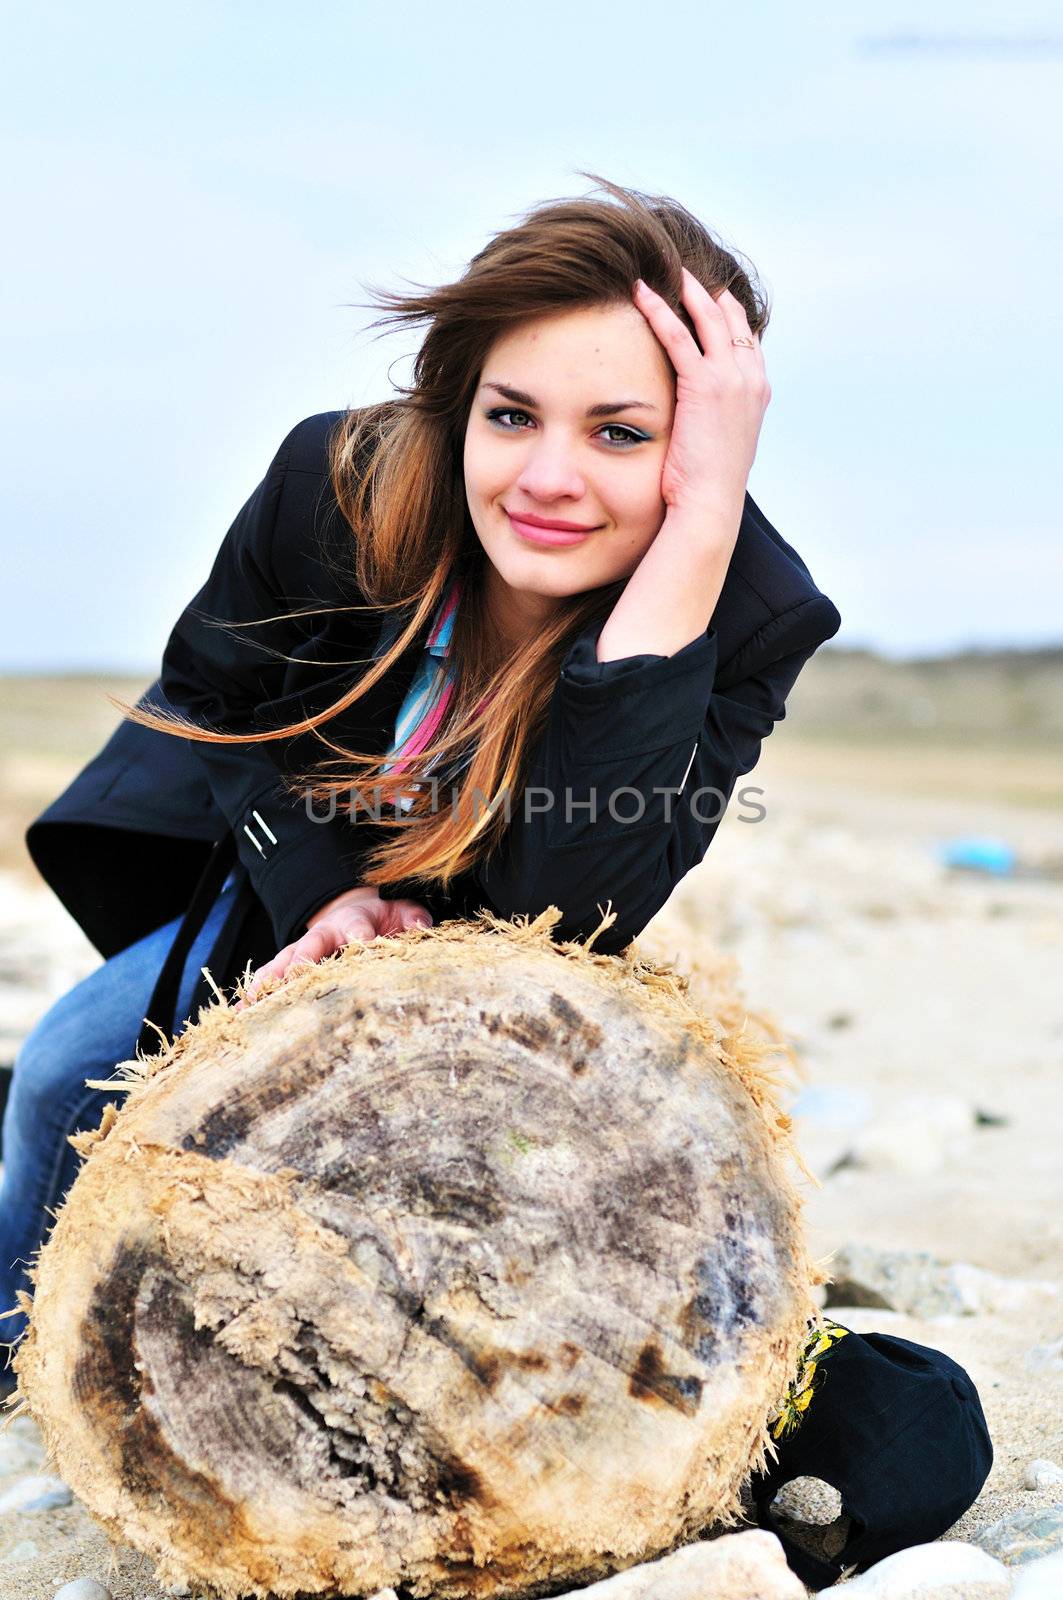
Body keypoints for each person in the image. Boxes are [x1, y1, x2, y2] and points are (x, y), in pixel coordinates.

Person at [0, 173, 989, 1584]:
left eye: (623, 434)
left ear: (702, 453)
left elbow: (573, 904)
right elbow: (222, 700)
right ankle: (9, 1352)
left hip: (517, 958)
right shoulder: (336, 484)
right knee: (62, 1073)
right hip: (314, 878)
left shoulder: (754, 607)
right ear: (459, 401)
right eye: (512, 414)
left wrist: (692, 543)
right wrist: (323, 894)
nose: (546, 476)